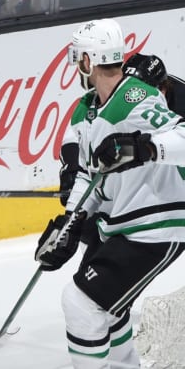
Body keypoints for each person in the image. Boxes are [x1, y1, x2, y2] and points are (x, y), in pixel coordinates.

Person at [35, 18, 185, 368]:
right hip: (119, 225)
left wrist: (143, 148)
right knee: (109, 313)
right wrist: (70, 222)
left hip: (156, 226)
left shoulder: (136, 98)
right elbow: (90, 178)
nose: (76, 66)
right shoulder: (88, 108)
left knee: (80, 304)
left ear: (87, 61)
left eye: (78, 59)